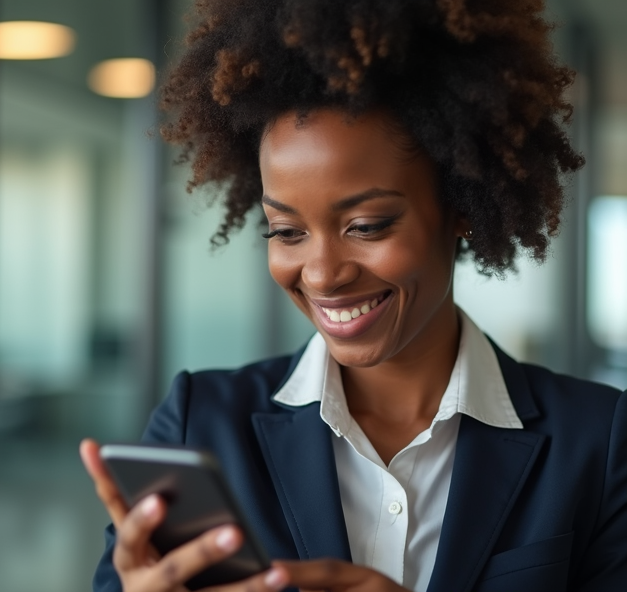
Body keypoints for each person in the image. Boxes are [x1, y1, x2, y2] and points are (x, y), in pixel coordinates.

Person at [81, 1, 627, 590]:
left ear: (461, 208)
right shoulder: (201, 424)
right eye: (287, 232)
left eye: (366, 226)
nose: (321, 275)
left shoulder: (596, 443)